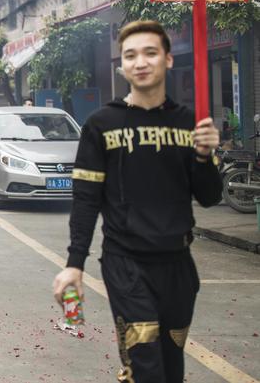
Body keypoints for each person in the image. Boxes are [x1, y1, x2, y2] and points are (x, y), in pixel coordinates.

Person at [52, 20, 221, 383]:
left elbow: (209, 197)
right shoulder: (101, 124)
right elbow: (85, 200)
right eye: (130, 55)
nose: (140, 62)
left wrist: (205, 157)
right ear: (121, 65)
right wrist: (74, 264)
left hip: (179, 265)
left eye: (150, 53)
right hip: (126, 263)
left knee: (172, 366)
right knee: (146, 367)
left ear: (168, 60)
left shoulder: (190, 122)